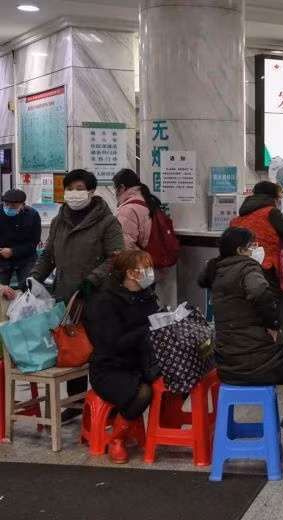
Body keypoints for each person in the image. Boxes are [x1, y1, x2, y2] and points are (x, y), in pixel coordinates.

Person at [198, 227, 283, 457]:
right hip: (258, 366)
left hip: (227, 367)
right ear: (241, 250)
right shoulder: (247, 267)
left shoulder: (217, 271)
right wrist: (272, 323)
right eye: (253, 245)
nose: (257, 249)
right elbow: (259, 292)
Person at [30, 168, 124, 422]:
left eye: (79, 188)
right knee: (73, 349)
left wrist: (93, 280)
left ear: (92, 192)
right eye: (69, 189)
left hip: (98, 297)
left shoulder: (107, 221)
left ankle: (107, 405)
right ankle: (76, 402)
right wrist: (34, 277)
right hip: (66, 297)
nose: (73, 194)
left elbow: (117, 258)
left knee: (100, 352)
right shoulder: (61, 219)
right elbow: (48, 254)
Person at [86, 250, 160, 464]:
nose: (150, 273)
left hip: (140, 362)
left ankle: (161, 431)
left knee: (175, 379)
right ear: (130, 273)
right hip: (109, 367)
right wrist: (147, 328)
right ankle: (117, 439)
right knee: (143, 392)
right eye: (145, 269)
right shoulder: (106, 301)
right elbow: (112, 343)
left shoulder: (147, 295)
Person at [231, 181, 283, 307]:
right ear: (272, 197)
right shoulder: (270, 212)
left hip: (237, 271)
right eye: (280, 196)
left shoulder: (239, 218)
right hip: (264, 271)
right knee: (267, 313)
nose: (281, 200)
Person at [112, 169, 176, 309]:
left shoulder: (128, 209)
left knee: (135, 313)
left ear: (122, 187)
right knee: (147, 308)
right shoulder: (149, 202)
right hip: (153, 267)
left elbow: (125, 246)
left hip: (136, 272)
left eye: (115, 189)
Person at [0, 189, 41, 287]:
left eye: (13, 206)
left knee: (28, 286)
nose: (9, 208)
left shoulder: (32, 215)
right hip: (2, 258)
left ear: (23, 205)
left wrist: (13, 251)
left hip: (26, 258)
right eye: (6, 204)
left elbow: (33, 242)